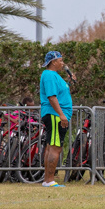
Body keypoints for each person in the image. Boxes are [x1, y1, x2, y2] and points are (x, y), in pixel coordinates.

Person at [38, 51, 74, 187]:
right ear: (53, 62)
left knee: (51, 146)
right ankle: (49, 181)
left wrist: (69, 81)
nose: (62, 63)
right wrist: (61, 115)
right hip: (55, 115)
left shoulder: (55, 76)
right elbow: (52, 97)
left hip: (56, 115)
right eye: (60, 60)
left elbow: (60, 93)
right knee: (55, 147)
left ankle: (47, 180)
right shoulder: (49, 75)